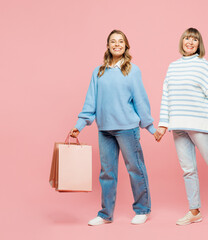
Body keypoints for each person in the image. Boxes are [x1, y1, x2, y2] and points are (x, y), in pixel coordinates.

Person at [154, 27, 208, 225]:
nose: (190, 42)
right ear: (182, 41)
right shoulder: (172, 67)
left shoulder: (203, 65)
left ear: (199, 44)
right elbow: (166, 96)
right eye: (187, 38)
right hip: (177, 125)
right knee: (188, 169)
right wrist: (163, 124)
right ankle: (194, 211)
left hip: (199, 124)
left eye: (194, 39)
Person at [70, 30, 156, 226]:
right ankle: (105, 214)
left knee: (135, 169)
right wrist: (79, 126)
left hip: (127, 129)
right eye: (113, 42)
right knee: (107, 173)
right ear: (108, 46)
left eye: (120, 42)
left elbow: (141, 101)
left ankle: (142, 209)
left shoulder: (132, 70)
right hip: (105, 130)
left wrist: (150, 127)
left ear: (126, 46)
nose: (117, 44)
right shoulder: (98, 72)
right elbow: (90, 102)